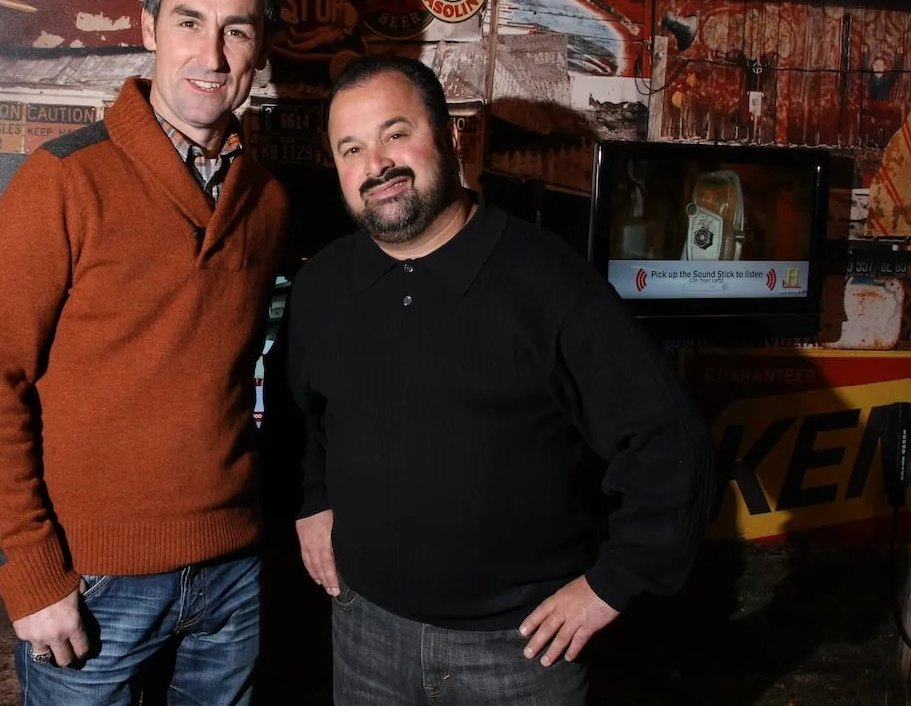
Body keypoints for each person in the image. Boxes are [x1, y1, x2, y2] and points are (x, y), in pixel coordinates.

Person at [273, 55, 714, 705]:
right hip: (364, 634)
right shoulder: (321, 287)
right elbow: (305, 417)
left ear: (451, 138)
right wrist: (313, 499)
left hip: (519, 654)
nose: (377, 164)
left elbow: (668, 441)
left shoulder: (548, 282)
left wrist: (612, 584)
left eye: (396, 134)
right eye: (352, 148)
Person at [0, 0, 288, 706]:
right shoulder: (63, 181)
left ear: (261, 46)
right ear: (148, 29)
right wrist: (32, 576)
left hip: (232, 573)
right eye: (189, 22)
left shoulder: (267, 201)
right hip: (94, 584)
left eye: (237, 29)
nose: (213, 53)